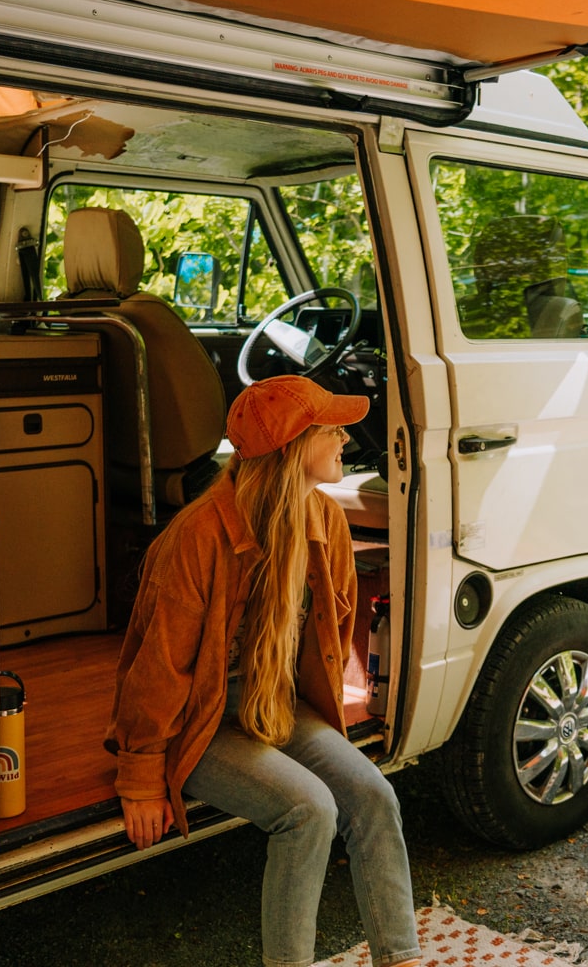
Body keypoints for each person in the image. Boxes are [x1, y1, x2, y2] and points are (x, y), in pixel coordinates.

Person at [105, 374, 421, 967]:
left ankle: (401, 958)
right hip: (200, 718)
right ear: (292, 447)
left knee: (374, 796)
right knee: (309, 810)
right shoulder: (197, 537)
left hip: (272, 705)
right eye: (331, 429)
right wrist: (142, 775)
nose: (346, 439)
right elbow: (159, 665)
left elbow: (333, 625)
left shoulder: (325, 520)